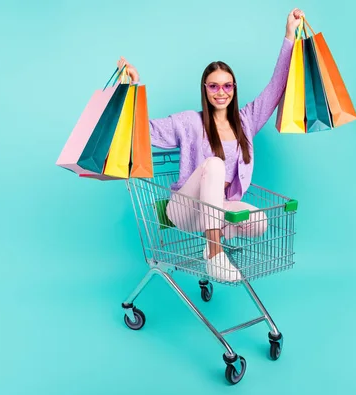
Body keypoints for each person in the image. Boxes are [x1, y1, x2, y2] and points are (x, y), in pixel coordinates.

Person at [118, 8, 304, 282]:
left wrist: (289, 35)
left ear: (234, 88)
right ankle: (216, 255)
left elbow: (277, 87)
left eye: (227, 86)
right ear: (204, 89)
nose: (221, 92)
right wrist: (132, 86)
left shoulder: (246, 121)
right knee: (214, 165)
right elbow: (142, 130)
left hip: (217, 210)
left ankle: (211, 243)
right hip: (184, 209)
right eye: (214, 86)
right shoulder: (189, 122)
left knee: (259, 223)